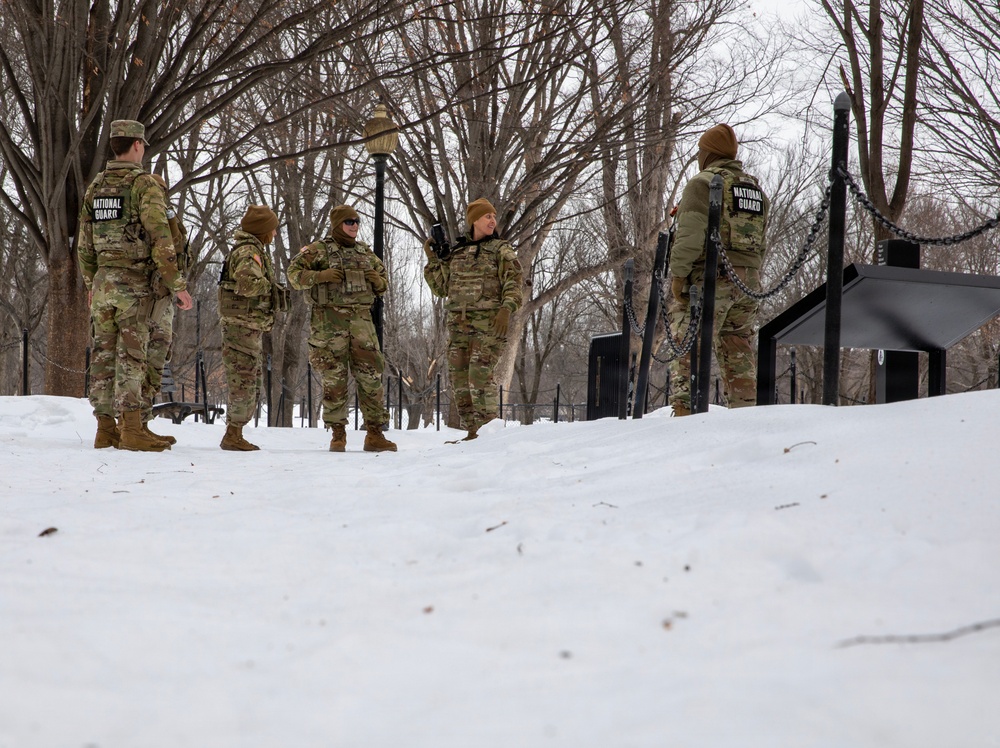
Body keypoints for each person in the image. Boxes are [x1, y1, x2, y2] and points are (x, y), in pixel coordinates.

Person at [78, 119, 193, 451]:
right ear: (138, 145)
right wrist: (177, 284)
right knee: (132, 356)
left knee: (102, 356)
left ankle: (105, 429)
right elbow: (161, 238)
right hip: (134, 287)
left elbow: (84, 244)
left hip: (103, 285)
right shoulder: (144, 185)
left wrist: (91, 283)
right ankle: (131, 430)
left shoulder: (96, 186)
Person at [667, 123, 769, 416]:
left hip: (713, 278)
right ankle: (745, 413)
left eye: (701, 151)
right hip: (748, 282)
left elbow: (689, 235)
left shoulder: (703, 183)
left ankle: (685, 411)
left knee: (687, 339)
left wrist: (678, 275)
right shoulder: (755, 189)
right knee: (738, 348)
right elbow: (759, 243)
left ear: (708, 153)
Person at [287, 204, 396, 452]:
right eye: (349, 222)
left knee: (371, 379)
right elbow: (293, 275)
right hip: (328, 323)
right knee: (334, 381)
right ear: (338, 224)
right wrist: (320, 276)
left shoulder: (365, 253)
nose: (354, 225)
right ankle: (338, 434)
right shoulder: (318, 251)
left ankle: (375, 434)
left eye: (357, 221)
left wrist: (376, 279)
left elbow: (383, 283)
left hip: (362, 325)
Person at [423, 198, 523, 441]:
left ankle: (489, 434)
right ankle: (473, 432)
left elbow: (514, 280)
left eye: (493, 216)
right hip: (459, 329)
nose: (492, 220)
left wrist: (506, 309)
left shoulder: (501, 249)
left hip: (489, 326)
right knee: (459, 382)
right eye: (487, 216)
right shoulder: (457, 252)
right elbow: (441, 288)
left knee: (479, 377)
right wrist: (433, 259)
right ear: (474, 221)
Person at [218, 204, 288, 451]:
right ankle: (232, 435)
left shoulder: (252, 249)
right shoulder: (249, 252)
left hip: (246, 327)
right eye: (273, 229)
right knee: (244, 380)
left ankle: (234, 432)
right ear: (263, 231)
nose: (275, 234)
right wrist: (270, 289)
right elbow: (247, 284)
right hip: (241, 328)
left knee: (249, 379)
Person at [140, 173, 190, 448]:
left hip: (162, 294)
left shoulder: (164, 215)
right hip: (152, 295)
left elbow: (179, 248)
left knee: (156, 357)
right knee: (147, 356)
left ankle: (141, 422)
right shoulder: (150, 215)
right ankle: (136, 423)